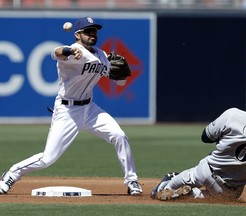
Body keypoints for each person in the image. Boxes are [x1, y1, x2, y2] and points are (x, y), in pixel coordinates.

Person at [0, 17, 142, 196]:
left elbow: (120, 82)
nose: (93, 34)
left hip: (90, 109)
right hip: (67, 111)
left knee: (120, 136)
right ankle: (11, 174)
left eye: (95, 31)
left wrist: (121, 75)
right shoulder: (74, 52)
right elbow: (56, 53)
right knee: (48, 158)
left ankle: (132, 181)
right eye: (88, 31)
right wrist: (68, 50)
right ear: (77, 34)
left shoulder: (102, 55)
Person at [150, 90, 246, 201]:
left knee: (166, 189)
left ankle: (166, 185)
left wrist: (227, 139)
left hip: (205, 171)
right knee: (212, 198)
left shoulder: (233, 114)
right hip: (227, 190)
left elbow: (206, 137)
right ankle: (192, 194)